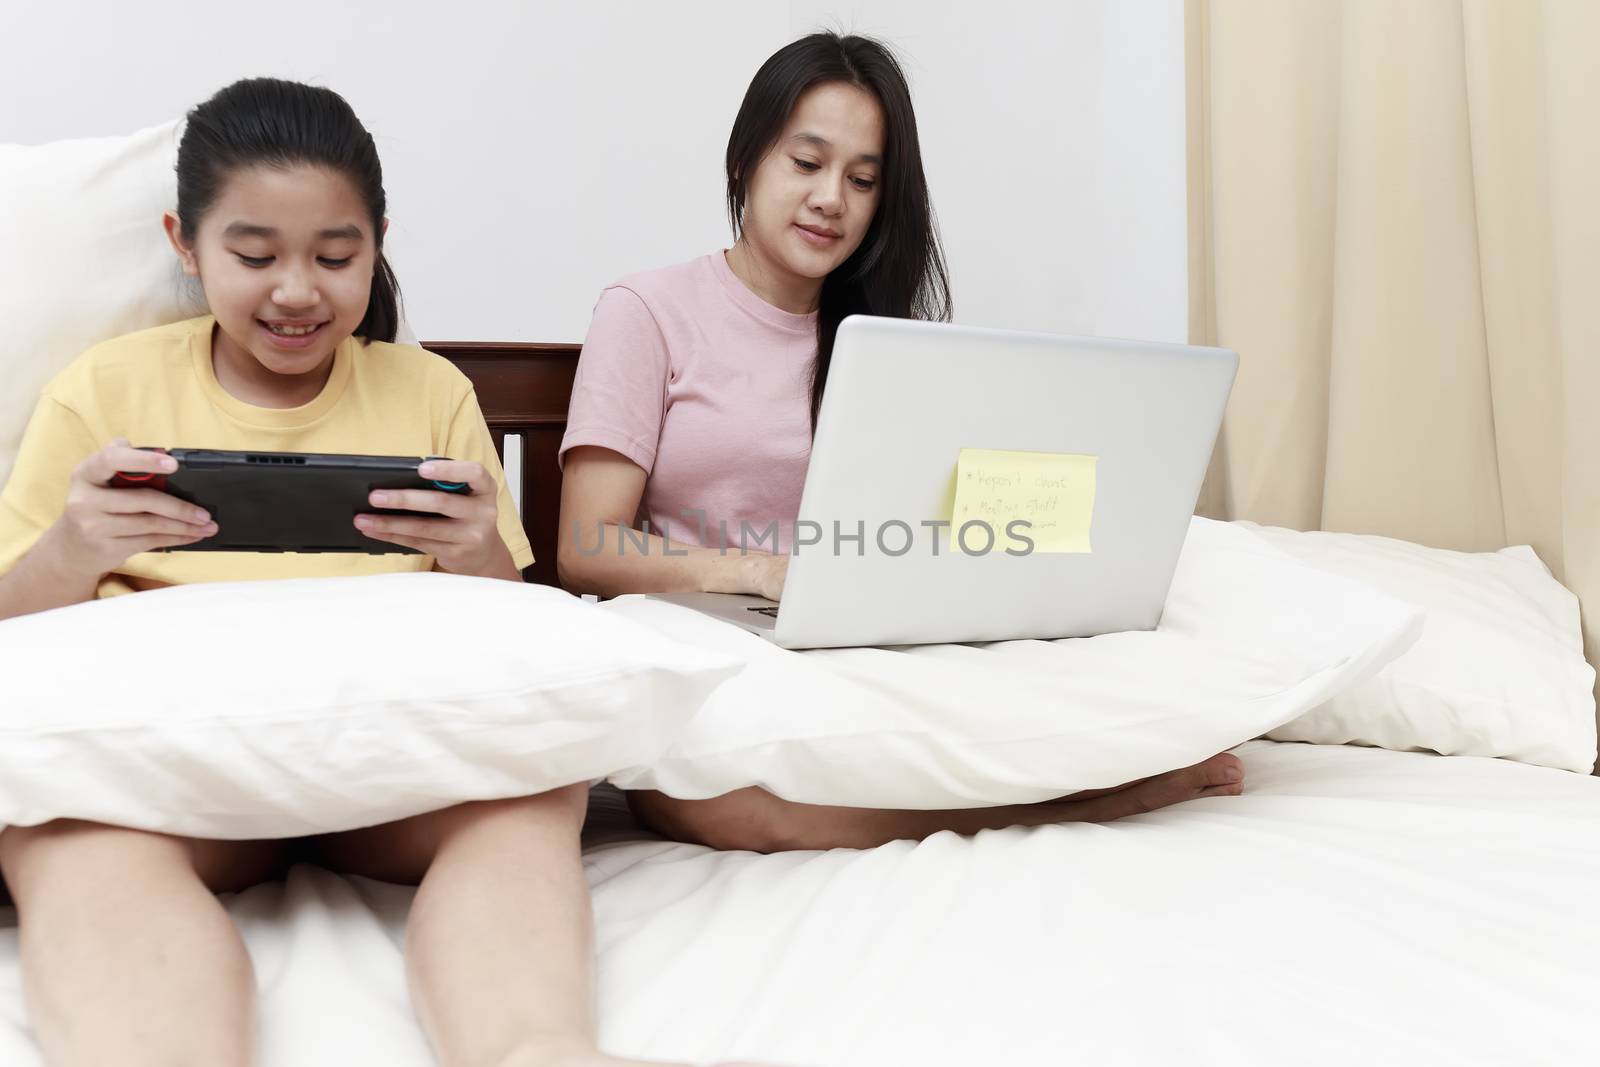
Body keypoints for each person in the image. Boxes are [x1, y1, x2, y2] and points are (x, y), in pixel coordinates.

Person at [0, 78, 722, 1067]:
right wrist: (74, 547)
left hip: (387, 779)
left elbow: (513, 644)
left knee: (527, 789)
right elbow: (11, 621)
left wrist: (479, 557)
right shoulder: (105, 389)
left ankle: (534, 1047)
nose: (298, 290)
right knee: (62, 829)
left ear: (376, 241)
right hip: (172, 782)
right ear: (185, 243)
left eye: (335, 256)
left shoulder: (429, 392)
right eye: (254, 255)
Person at [557, 33, 1245, 854]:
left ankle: (1098, 765)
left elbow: (928, 523)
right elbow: (585, 546)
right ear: (746, 160)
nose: (830, 200)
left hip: (861, 642)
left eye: (862, 179)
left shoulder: (888, 343)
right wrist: (755, 570)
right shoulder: (646, 310)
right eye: (805, 163)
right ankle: (1091, 803)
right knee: (708, 803)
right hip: (716, 637)